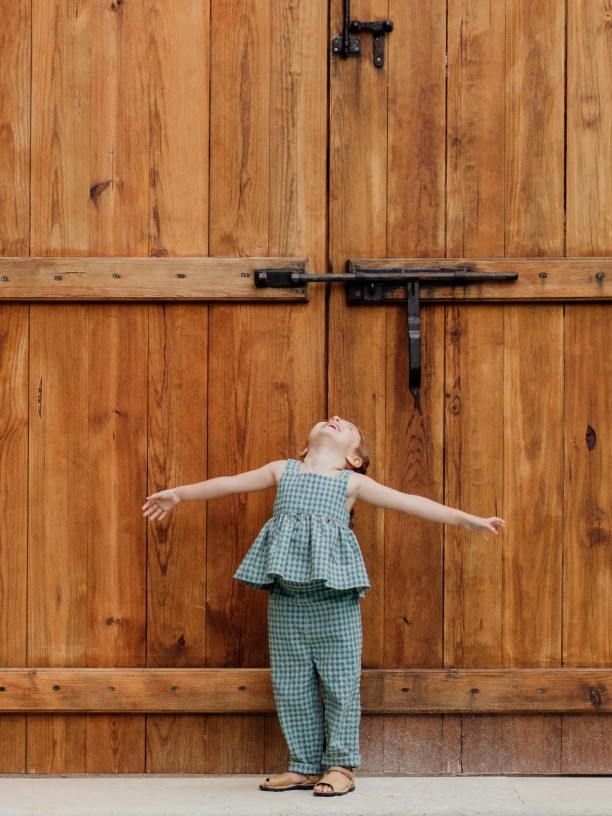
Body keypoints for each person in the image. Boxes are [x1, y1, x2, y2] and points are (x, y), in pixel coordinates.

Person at [142, 416, 505, 796]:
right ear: (304, 448)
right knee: (291, 684)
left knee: (340, 683)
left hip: (335, 600)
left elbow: (411, 502)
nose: (334, 420)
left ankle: (340, 766)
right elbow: (228, 484)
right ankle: (302, 766)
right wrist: (179, 493)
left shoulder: (352, 483)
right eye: (329, 420)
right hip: (287, 600)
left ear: (354, 458)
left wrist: (466, 519)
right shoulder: (283, 470)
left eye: (345, 426)